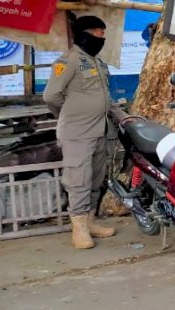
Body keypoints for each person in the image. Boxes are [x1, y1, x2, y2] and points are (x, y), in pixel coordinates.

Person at [44, 15, 124, 249]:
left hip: (100, 130)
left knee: (95, 178)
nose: (102, 38)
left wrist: (121, 116)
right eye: (99, 33)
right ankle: (78, 229)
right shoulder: (68, 61)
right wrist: (70, 115)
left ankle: (90, 221)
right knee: (78, 179)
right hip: (77, 132)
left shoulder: (98, 63)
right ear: (85, 34)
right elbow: (51, 96)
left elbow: (105, 98)